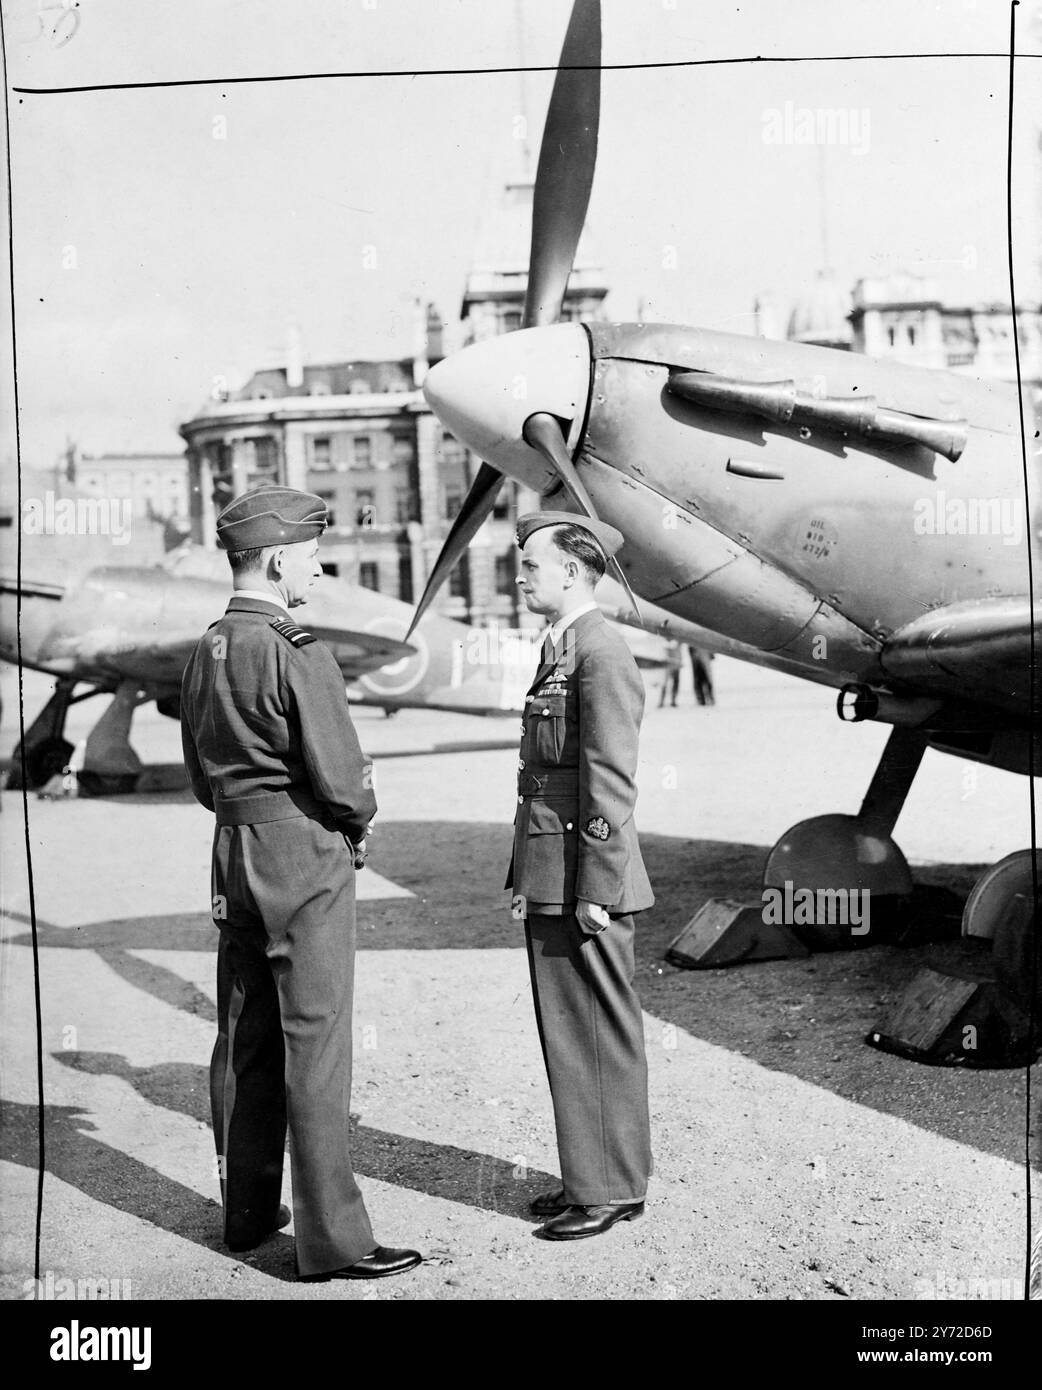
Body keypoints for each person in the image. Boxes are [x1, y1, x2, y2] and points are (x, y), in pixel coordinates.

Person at [180, 483, 421, 1282]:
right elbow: (343, 778)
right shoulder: (294, 647)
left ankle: (246, 1214)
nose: (317, 570)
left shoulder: (208, 645)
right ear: (280, 559)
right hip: (299, 857)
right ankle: (336, 1245)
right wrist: (357, 820)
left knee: (245, 1035)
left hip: (230, 850)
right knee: (315, 1045)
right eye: (313, 556)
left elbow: (199, 776)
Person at [508, 511, 654, 1241]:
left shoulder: (600, 652)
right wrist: (522, 872)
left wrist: (597, 888)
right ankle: (587, 1178)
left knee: (597, 1029)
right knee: (569, 1031)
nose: (521, 574)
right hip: (552, 870)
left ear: (571, 571)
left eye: (531, 564)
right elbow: (539, 776)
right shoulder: (561, 648)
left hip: (585, 875)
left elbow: (609, 783)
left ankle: (613, 1188)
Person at [658, 641, 683, 707]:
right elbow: (666, 647)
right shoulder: (666, 640)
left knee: (675, 682)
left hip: (677, 662)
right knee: (665, 682)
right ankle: (661, 701)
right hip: (668, 663)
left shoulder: (678, 639)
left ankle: (673, 700)